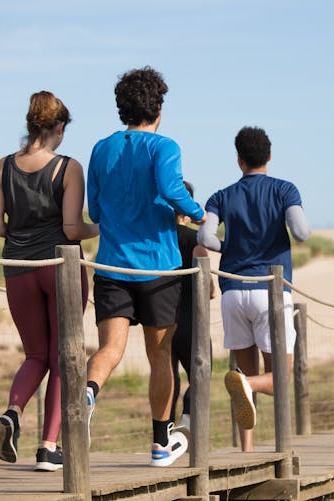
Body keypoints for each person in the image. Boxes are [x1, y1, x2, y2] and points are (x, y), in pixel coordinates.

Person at [85, 66, 206, 467]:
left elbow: (97, 209)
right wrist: (199, 214)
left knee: (110, 349)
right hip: (158, 269)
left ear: (123, 108)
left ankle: (88, 393)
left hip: (112, 267)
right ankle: (159, 445)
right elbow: (173, 190)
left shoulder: (101, 148)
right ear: (159, 108)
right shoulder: (165, 147)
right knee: (160, 356)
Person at [0, 91, 99, 471]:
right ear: (60, 127)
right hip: (60, 267)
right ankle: (48, 448)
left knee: (35, 354)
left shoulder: (2, 166)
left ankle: (13, 412)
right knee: (62, 356)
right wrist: (99, 227)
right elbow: (71, 227)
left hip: (17, 267)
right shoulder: (68, 167)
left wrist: (20, 234)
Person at [198, 126, 311, 451]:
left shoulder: (220, 196)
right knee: (279, 378)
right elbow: (301, 232)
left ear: (239, 159)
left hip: (233, 291)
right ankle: (250, 389)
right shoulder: (285, 190)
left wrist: (231, 247)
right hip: (270, 291)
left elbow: (205, 238)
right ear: (270, 156)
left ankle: (247, 450)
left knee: (244, 373)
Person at [169, 181, 215, 437]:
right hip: (189, 319)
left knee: (167, 376)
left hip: (161, 317)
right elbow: (207, 287)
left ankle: (163, 431)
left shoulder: (156, 242)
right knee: (201, 371)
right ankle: (187, 419)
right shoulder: (195, 241)